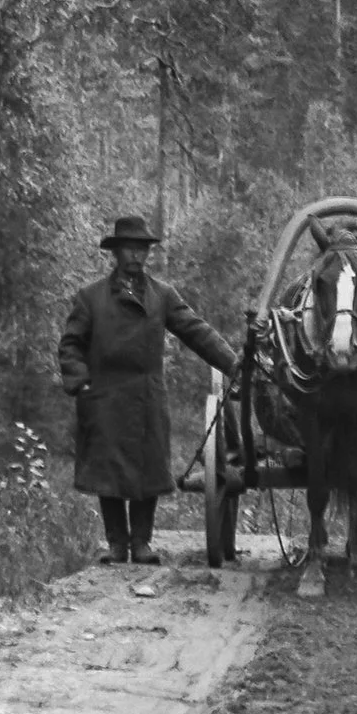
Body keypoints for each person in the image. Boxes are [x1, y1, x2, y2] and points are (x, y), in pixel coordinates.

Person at [58, 215, 243, 565]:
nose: (136, 256)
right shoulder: (90, 298)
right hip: (104, 397)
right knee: (108, 472)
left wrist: (233, 364)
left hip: (146, 397)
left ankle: (141, 542)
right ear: (115, 253)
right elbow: (70, 345)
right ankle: (116, 543)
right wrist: (80, 380)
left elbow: (196, 331)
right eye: (129, 249)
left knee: (148, 468)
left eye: (142, 250)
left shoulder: (163, 296)